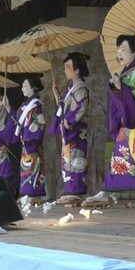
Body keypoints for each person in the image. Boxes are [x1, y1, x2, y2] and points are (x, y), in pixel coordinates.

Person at [82, 35, 135, 207]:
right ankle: (105, 192)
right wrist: (117, 87)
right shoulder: (126, 72)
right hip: (125, 122)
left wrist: (121, 87)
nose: (119, 53)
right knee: (117, 160)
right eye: (118, 49)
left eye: (124, 49)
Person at [48, 52, 91, 207]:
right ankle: (70, 190)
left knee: (76, 160)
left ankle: (76, 191)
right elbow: (64, 106)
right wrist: (56, 94)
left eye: (68, 67)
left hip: (76, 131)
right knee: (68, 161)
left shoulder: (81, 88)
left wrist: (69, 120)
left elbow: (81, 107)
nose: (65, 70)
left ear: (77, 69)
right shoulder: (71, 88)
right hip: (69, 131)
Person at [3, 75, 47, 203]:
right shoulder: (25, 104)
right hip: (26, 143)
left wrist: (29, 136)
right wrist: (8, 108)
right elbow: (19, 120)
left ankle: (34, 193)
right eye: (22, 86)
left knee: (34, 166)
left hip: (32, 143)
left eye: (25, 86)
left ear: (33, 88)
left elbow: (39, 122)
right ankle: (27, 193)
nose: (22, 88)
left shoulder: (35, 105)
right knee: (26, 168)